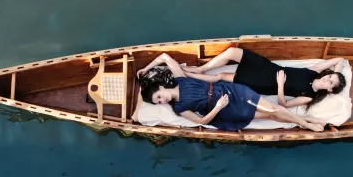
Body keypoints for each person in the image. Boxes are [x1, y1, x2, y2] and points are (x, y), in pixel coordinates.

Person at [137, 53, 326, 132]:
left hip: (230, 91)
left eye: (158, 97)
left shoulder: (180, 78)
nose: (162, 101)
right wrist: (218, 107)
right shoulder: (180, 108)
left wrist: (146, 68)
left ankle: (305, 123)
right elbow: (203, 121)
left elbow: (164, 57)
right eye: (158, 102)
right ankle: (306, 120)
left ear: (161, 88)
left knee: (274, 109)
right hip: (225, 109)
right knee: (272, 116)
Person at [182, 47, 346, 110]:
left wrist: (280, 85)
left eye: (331, 82)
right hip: (267, 67)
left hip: (265, 83)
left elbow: (284, 104)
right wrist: (337, 76)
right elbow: (339, 60)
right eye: (330, 76)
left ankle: (190, 75)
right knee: (232, 52)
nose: (327, 79)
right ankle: (201, 69)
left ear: (330, 90)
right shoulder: (314, 71)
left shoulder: (308, 95)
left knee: (221, 76)